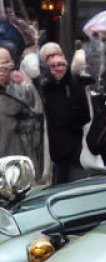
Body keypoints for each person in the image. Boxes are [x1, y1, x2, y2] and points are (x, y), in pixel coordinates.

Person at [39, 50, 89, 184]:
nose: (57, 68)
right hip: (54, 148)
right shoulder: (45, 88)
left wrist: (71, 121)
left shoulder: (75, 85)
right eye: (53, 66)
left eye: (60, 65)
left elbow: (85, 115)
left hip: (73, 147)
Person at [0, 46, 41, 167]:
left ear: (10, 68)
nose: (1, 73)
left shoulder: (22, 92)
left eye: (4, 69)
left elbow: (35, 121)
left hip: (17, 155)